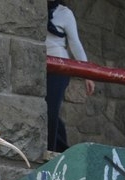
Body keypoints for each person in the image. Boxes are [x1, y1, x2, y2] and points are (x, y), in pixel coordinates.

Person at [46, 0, 95, 152]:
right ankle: (63, 150)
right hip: (39, 65)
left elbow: (75, 44)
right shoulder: (36, 8)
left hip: (59, 68)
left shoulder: (65, 13)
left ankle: (50, 151)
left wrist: (87, 73)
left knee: (51, 110)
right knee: (45, 109)